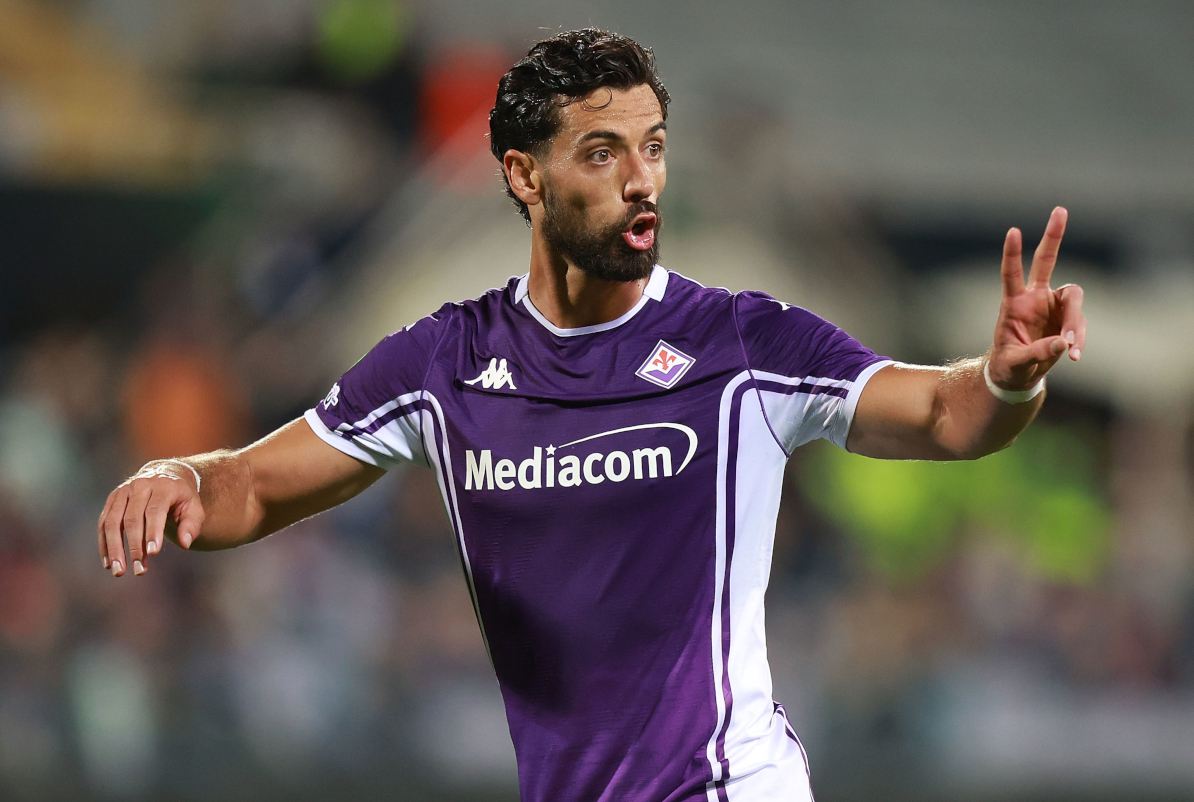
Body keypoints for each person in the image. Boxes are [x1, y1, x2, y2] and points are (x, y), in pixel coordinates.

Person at [98, 28, 1086, 802]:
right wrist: (177, 476)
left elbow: (945, 417)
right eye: (603, 152)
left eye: (652, 149)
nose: (641, 178)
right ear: (526, 177)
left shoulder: (740, 344)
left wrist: (1005, 377)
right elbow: (257, 487)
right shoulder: (446, 361)